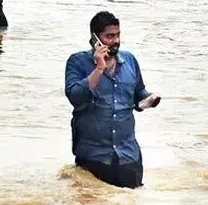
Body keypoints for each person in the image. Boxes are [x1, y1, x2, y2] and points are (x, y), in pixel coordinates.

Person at [64, 11, 160, 189]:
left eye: (118, 35)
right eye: (109, 36)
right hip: (94, 157)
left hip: (129, 157)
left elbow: (138, 92)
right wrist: (99, 69)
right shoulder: (77, 62)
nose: (115, 41)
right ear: (95, 38)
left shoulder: (130, 61)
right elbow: (75, 97)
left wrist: (148, 99)